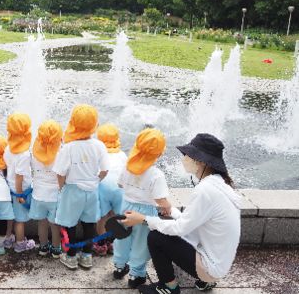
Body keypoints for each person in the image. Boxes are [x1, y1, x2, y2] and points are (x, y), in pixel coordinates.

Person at [123, 133, 241, 294]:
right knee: (167, 227)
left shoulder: (205, 190)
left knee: (156, 237)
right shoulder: (220, 185)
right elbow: (191, 222)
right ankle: (204, 281)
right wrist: (170, 210)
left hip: (210, 268)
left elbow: (180, 228)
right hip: (219, 261)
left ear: (200, 162)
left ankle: (169, 287)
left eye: (187, 155)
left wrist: (143, 218)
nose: (184, 158)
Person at [112, 128, 171, 289]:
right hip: (144, 213)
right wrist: (168, 207)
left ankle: (119, 266)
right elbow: (160, 199)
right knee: (141, 243)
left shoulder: (127, 166)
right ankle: (136, 275)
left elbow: (119, 184)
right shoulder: (156, 174)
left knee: (122, 238)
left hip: (126, 207)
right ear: (159, 154)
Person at [53, 104, 109, 270]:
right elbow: (105, 170)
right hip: (91, 191)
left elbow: (60, 173)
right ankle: (87, 256)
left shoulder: (68, 148)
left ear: (73, 124)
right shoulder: (99, 146)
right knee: (89, 224)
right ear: (94, 125)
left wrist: (61, 188)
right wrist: (96, 180)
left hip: (72, 190)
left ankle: (70, 257)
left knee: (69, 224)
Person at [28, 120, 63, 258]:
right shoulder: (61, 154)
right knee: (55, 225)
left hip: (38, 195)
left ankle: (43, 247)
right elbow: (62, 176)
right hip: (54, 196)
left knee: (41, 223)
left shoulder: (33, 152)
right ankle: (56, 249)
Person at [93, 123, 127, 256]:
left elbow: (95, 173)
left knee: (102, 217)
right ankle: (113, 243)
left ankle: (101, 245)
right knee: (114, 216)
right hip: (119, 189)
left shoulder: (98, 154)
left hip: (103, 187)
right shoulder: (122, 155)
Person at [3, 113, 35, 252]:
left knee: (10, 216)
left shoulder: (8, 148)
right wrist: (20, 195)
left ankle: (8, 239)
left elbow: (6, 167)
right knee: (20, 220)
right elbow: (19, 177)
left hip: (8, 187)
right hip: (19, 190)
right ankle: (20, 243)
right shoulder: (24, 154)